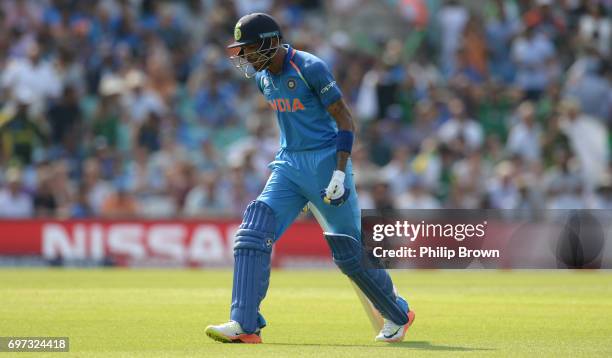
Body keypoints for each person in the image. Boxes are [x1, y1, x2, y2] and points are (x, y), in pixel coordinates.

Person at [205, 13, 414, 344]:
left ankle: (398, 313)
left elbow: (345, 121)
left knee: (348, 255)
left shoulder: (310, 67)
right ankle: (244, 324)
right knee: (252, 233)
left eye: (249, 48)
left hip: (327, 162)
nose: (244, 57)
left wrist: (339, 172)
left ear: (271, 42)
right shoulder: (263, 78)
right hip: (288, 164)